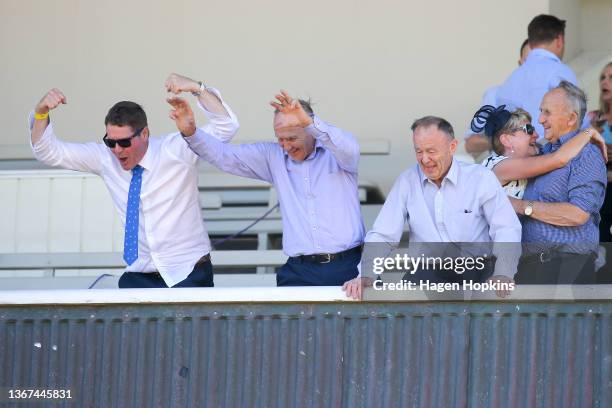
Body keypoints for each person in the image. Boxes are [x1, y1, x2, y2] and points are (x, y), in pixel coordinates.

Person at [29, 73, 239, 288]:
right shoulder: (104, 157)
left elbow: (227, 127)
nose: (117, 150)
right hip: (139, 274)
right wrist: (40, 112)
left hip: (187, 270)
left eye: (125, 142)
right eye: (110, 142)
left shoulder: (176, 149)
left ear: (145, 134)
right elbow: (47, 151)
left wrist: (196, 87)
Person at [166, 91, 365, 286]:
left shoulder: (338, 153)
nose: (286, 146)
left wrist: (311, 123)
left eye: (292, 138)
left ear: (309, 130)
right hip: (299, 271)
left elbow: (350, 148)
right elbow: (224, 156)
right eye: (281, 139)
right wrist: (191, 132)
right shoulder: (273, 156)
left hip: (348, 266)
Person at [343, 116, 522, 299]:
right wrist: (365, 274)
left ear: (452, 147)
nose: (425, 159)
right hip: (426, 275)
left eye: (431, 151)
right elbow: (383, 235)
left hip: (476, 272)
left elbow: (506, 228)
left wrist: (503, 272)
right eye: (419, 151)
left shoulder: (481, 178)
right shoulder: (407, 181)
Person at [510, 81, 607, 284]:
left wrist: (520, 206)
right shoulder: (542, 152)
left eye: (547, 112)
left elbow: (578, 214)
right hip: (530, 267)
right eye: (540, 111)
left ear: (571, 118)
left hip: (567, 267)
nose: (540, 119)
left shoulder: (586, 154)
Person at [470, 105, 606, 199]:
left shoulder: (529, 159)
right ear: (506, 140)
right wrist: (588, 132)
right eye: (528, 129)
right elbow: (558, 159)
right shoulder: (500, 166)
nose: (535, 134)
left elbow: (561, 146)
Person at [495, 14, 578, 144]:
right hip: (554, 155)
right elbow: (575, 121)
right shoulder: (560, 72)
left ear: (531, 43)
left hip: (519, 158)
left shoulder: (510, 80)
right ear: (559, 40)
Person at [465, 39, 532, 161]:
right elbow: (471, 144)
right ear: (520, 63)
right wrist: (502, 139)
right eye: (529, 61)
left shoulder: (556, 99)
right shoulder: (495, 94)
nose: (534, 67)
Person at [588, 62, 612, 282]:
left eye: (611, 78)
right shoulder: (593, 119)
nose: (605, 82)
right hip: (600, 193)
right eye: (602, 78)